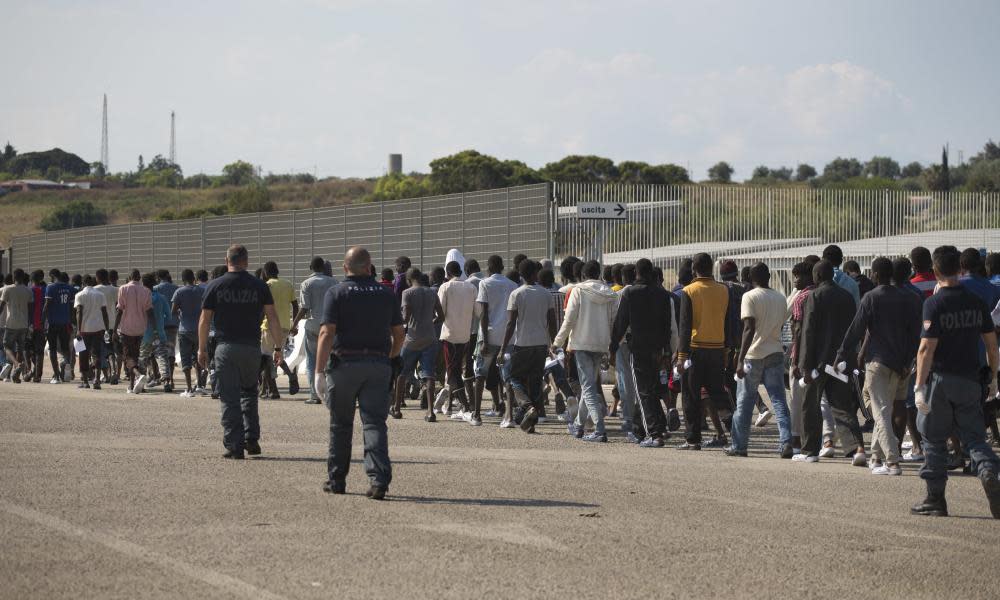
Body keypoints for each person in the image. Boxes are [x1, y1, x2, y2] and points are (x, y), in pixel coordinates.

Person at [911, 245, 1000, 519]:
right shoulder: (975, 302)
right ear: (960, 269)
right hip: (971, 379)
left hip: (940, 380)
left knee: (934, 439)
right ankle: (987, 470)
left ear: (936, 270)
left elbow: (926, 348)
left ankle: (935, 499)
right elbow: (991, 344)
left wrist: (919, 385)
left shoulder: (934, 303)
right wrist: (993, 376)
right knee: (974, 437)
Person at [314, 246, 404, 499]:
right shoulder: (386, 294)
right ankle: (378, 480)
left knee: (340, 424)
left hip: (344, 365)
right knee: (374, 422)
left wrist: (319, 372)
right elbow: (399, 334)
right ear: (369, 266)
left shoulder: (337, 292)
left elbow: (326, 333)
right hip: (377, 364)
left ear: (345, 268)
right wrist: (391, 356)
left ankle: (337, 480)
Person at [837, 258, 922, 475]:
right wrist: (908, 361)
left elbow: (855, 330)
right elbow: (915, 334)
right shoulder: (909, 298)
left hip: (877, 362)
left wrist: (841, 355)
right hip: (900, 364)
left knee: (880, 411)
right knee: (883, 408)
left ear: (875, 274)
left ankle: (892, 461)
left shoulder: (871, 297)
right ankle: (876, 457)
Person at [198, 244, 284, 459]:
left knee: (229, 397)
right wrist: (278, 346)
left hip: (225, 347)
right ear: (246, 261)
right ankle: (251, 439)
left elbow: (204, 320)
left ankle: (234, 445)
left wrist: (201, 349)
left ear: (227, 260)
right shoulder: (259, 286)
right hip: (251, 348)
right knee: (249, 393)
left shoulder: (215, 285)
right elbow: (272, 317)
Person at [797, 260, 866, 465]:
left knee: (810, 405)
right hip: (841, 361)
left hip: (818, 362)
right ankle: (857, 448)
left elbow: (808, 332)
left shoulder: (814, 296)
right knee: (842, 406)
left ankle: (810, 450)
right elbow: (854, 329)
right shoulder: (846, 297)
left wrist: (804, 365)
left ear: (817, 276)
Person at [728, 262, 794, 458]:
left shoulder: (749, 296)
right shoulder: (780, 298)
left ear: (751, 278)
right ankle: (786, 443)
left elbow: (749, 328)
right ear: (769, 276)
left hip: (753, 355)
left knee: (744, 401)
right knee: (779, 400)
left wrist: (740, 359)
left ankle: (739, 446)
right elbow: (781, 326)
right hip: (774, 351)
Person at [610, 258, 678, 447]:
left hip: (638, 348)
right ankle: (657, 427)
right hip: (657, 349)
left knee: (643, 392)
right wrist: (666, 351)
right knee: (653, 389)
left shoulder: (630, 293)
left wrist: (613, 346)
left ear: (636, 273)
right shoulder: (663, 295)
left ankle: (653, 434)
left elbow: (621, 323)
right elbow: (667, 326)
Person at [554, 260, 616, 442]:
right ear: (599, 274)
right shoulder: (610, 294)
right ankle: (579, 425)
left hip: (581, 344)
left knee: (587, 387)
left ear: (582, 275)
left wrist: (557, 342)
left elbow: (569, 319)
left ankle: (599, 428)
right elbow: (612, 322)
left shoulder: (578, 291)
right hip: (601, 344)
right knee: (588, 384)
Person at [675, 253, 730, 451]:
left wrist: (681, 356)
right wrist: (726, 350)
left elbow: (684, 325)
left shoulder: (688, 291)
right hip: (717, 348)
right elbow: (728, 321)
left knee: (691, 395)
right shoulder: (723, 290)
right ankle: (733, 427)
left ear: (693, 270)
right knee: (717, 393)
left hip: (695, 350)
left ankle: (693, 439)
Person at [499, 260, 557, 434]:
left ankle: (527, 406)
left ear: (521, 276)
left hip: (522, 344)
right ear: (535, 274)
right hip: (541, 345)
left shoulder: (516, 294)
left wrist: (503, 348)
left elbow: (511, 324)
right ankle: (530, 423)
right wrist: (553, 343)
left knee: (513, 378)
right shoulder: (546, 294)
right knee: (534, 382)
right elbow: (552, 321)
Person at [391, 268, 444, 421]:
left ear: (408, 280)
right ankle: (430, 411)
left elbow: (406, 318)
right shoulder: (432, 292)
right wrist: (430, 322)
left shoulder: (407, 293)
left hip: (412, 339)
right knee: (429, 374)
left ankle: (396, 408)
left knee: (401, 373)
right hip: (430, 338)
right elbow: (441, 316)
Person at [474, 255, 519, 425]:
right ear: (502, 267)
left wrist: (484, 340)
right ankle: (509, 416)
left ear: (488, 267)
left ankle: (476, 415)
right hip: (508, 338)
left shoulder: (484, 283)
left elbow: (484, 313)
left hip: (488, 335)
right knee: (507, 377)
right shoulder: (513, 285)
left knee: (480, 374)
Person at [291, 257, 338, 405]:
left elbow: (304, 308)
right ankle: (332, 392)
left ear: (310, 267)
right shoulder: (334, 282)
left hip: (312, 325)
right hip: (331, 325)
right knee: (331, 360)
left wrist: (294, 324)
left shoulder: (306, 283)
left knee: (312, 360)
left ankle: (314, 395)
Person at [436, 261, 478, 422]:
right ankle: (463, 406)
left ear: (447, 273)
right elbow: (478, 312)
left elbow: (441, 311)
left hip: (449, 334)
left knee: (452, 372)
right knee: (456, 370)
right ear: (461, 272)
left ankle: (466, 407)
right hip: (465, 335)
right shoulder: (471, 288)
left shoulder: (445, 287)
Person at [260, 261, 299, 399]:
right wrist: (294, 325)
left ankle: (274, 390)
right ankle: (288, 376)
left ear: (265, 272)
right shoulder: (288, 284)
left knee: (266, 358)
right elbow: (295, 305)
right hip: (284, 326)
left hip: (268, 326)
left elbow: (261, 308)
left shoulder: (266, 286)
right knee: (277, 355)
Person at [171, 269, 205, 398]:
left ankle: (189, 388)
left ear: (183, 279)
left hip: (184, 329)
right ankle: (200, 385)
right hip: (199, 329)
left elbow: (173, 311)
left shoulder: (179, 292)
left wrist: (181, 311)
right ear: (194, 278)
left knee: (185, 360)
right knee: (198, 357)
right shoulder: (202, 291)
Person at [74, 274, 109, 390]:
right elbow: (104, 312)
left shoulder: (79, 295)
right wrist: (107, 328)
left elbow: (79, 312)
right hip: (98, 328)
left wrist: (78, 330)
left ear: (83, 284)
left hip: (83, 330)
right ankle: (97, 380)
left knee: (82, 355)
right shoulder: (100, 295)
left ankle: (85, 381)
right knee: (97, 354)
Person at [0, 269, 32, 383]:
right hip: (24, 324)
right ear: (23, 278)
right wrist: (30, 324)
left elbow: (2, 306)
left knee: (7, 346)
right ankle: (16, 375)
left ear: (14, 277)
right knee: (20, 348)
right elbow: (30, 308)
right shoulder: (28, 290)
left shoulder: (8, 289)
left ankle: (17, 364)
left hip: (11, 323)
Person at [44, 272, 76, 383]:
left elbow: (47, 305)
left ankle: (56, 375)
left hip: (52, 323)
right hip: (65, 323)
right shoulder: (70, 288)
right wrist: (72, 322)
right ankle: (66, 363)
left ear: (55, 277)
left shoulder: (51, 288)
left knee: (52, 349)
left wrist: (43, 321)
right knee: (65, 348)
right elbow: (72, 308)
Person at [154, 270, 180, 392]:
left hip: (159, 325)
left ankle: (161, 377)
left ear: (158, 277)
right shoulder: (176, 288)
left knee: (159, 352)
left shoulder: (155, 289)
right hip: (173, 324)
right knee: (170, 352)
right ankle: (171, 379)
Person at [95, 269, 119, 385]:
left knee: (99, 351)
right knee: (111, 350)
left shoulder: (95, 290)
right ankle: (114, 373)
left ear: (97, 278)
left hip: (98, 325)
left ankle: (106, 375)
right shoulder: (115, 290)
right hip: (112, 324)